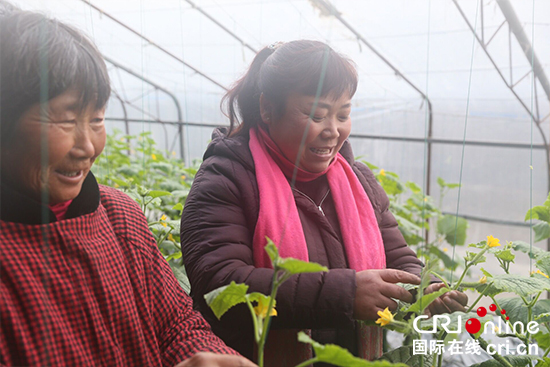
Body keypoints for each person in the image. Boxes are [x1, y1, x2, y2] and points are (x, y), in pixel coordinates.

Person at [180, 40, 468, 366]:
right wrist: (346, 294)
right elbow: (220, 283)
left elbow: (398, 256)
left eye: (343, 114)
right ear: (267, 108)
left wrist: (426, 287)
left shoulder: (357, 181)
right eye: (316, 114)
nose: (333, 131)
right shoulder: (226, 179)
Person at [0, 6, 256, 367]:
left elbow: (176, 326)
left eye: (97, 119)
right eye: (67, 119)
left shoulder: (120, 217)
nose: (87, 146)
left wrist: (210, 357)